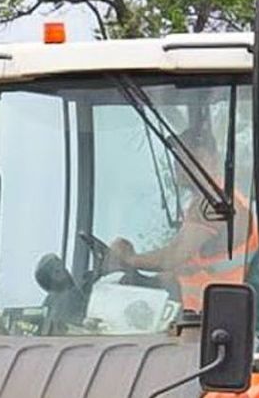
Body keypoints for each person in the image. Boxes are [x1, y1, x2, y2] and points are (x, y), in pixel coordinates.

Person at [105, 130, 249, 308]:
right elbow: (186, 269)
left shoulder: (215, 204)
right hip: (215, 312)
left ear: (212, 159)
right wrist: (143, 281)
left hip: (221, 318)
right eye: (178, 158)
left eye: (189, 157)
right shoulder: (215, 199)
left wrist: (129, 258)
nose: (179, 165)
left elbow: (172, 256)